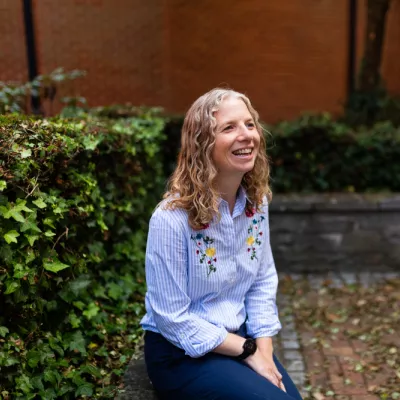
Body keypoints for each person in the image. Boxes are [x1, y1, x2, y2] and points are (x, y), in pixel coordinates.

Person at [140, 88, 303, 400]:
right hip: (181, 354)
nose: (246, 135)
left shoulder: (257, 205)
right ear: (203, 144)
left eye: (250, 124)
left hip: (238, 342)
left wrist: (263, 352)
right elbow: (172, 318)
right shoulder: (171, 219)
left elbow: (262, 280)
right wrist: (248, 350)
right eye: (229, 127)